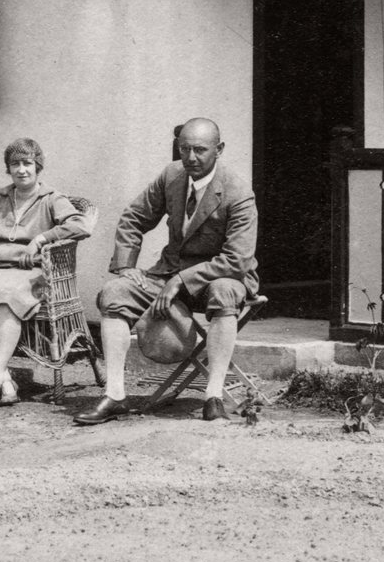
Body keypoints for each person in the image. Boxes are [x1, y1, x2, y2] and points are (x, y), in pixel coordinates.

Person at [75, 117, 258, 425]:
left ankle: (213, 396)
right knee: (114, 293)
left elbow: (237, 259)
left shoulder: (238, 193)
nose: (191, 158)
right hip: (169, 273)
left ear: (219, 149)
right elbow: (134, 216)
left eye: (200, 150)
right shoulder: (172, 176)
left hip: (221, 276)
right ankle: (115, 395)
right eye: (184, 149)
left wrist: (181, 280)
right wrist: (125, 265)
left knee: (225, 292)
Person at [0, 138, 91, 407]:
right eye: (15, 164)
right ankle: (3, 380)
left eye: (27, 163)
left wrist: (41, 239)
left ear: (38, 167)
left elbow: (81, 225)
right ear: (8, 168)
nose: (22, 170)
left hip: (32, 273)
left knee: (7, 298)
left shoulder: (51, 198)